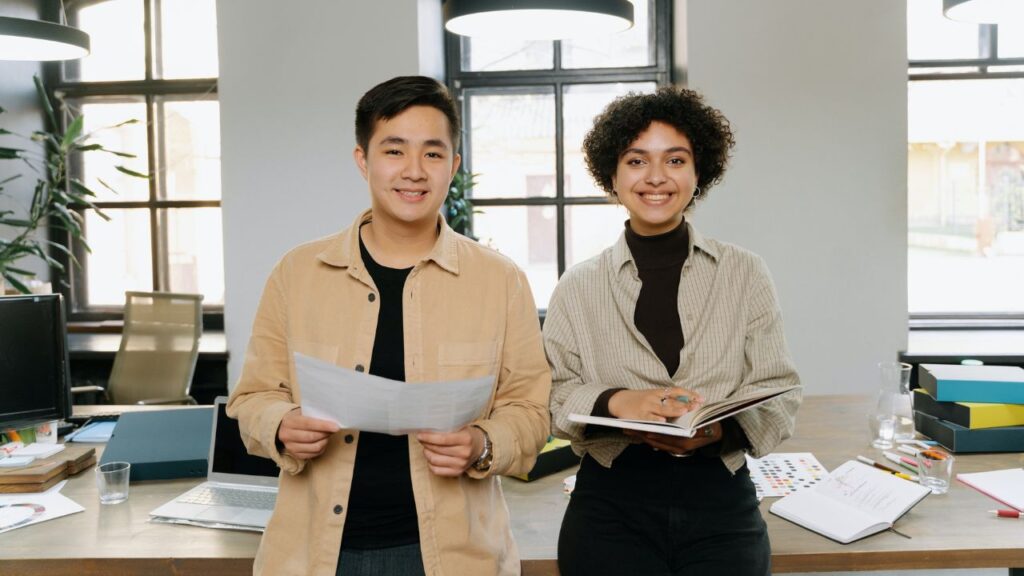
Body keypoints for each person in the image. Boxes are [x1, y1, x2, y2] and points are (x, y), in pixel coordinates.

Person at [227, 75, 551, 576]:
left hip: (454, 556)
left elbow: (531, 411)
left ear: (454, 166)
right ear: (363, 160)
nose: (414, 172)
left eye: (433, 153)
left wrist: (483, 443)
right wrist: (281, 425)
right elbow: (251, 399)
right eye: (394, 151)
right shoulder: (297, 272)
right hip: (316, 554)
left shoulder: (499, 280)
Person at [545, 86, 802, 576]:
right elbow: (555, 397)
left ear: (698, 171)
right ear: (613, 176)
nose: (657, 178)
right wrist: (624, 403)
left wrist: (717, 430)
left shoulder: (745, 273)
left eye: (676, 160)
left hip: (721, 503)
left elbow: (779, 393)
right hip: (609, 507)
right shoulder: (578, 286)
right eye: (637, 161)